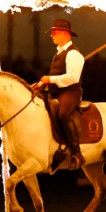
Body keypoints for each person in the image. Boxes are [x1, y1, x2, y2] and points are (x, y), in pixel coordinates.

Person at [33, 18, 86, 169]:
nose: (52, 35)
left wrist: (49, 79)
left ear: (64, 34)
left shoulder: (73, 54)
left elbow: (72, 77)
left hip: (70, 92)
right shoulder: (58, 54)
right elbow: (55, 75)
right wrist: (40, 84)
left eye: (54, 33)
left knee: (63, 114)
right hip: (55, 92)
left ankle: (77, 154)